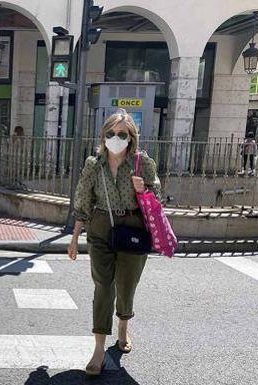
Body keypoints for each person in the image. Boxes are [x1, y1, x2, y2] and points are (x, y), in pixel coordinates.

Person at [67, 109, 160, 377]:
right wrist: (74, 237)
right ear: (103, 135)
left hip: (133, 228)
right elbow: (83, 200)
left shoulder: (143, 163)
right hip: (100, 228)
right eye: (110, 133)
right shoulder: (93, 165)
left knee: (126, 285)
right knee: (103, 285)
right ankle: (98, 350)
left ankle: (123, 325)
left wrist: (145, 189)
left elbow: (158, 196)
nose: (115, 138)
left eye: (121, 134)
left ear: (131, 137)